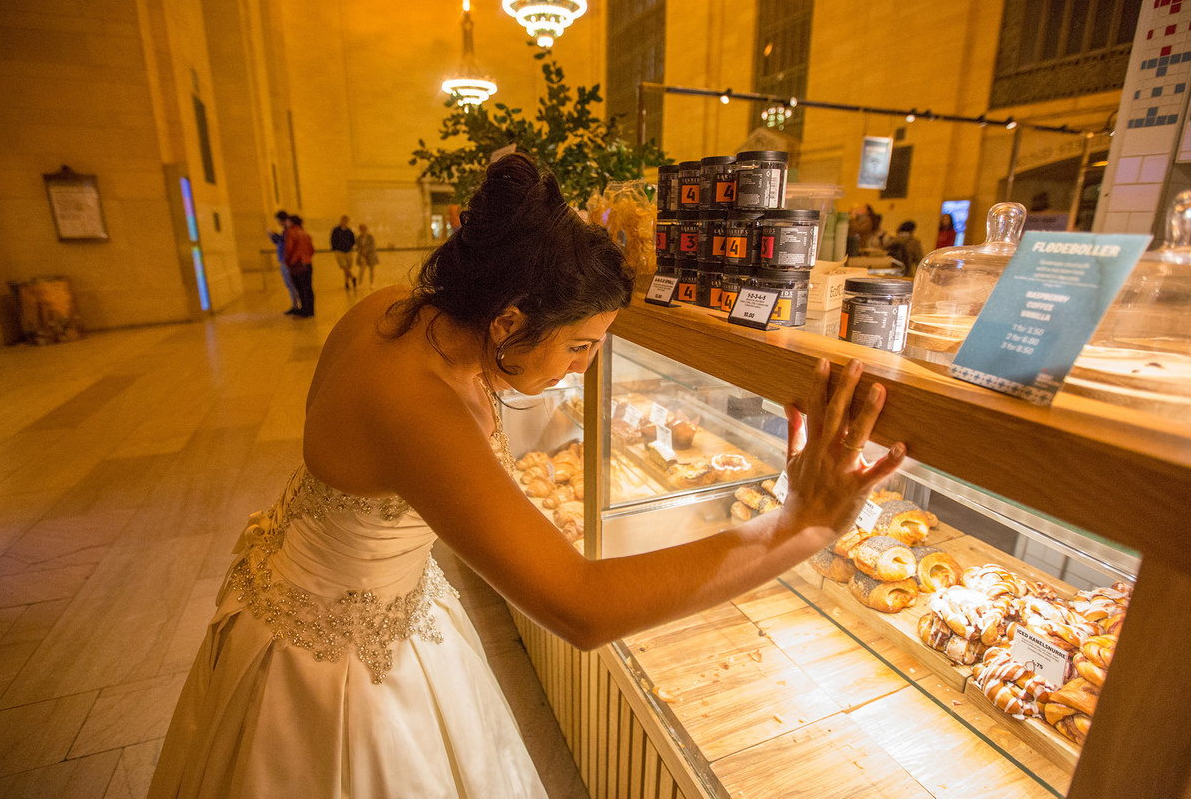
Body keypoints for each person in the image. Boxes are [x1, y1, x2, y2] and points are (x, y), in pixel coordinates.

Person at [147, 153, 905, 798]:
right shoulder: (417, 410)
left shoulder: (394, 312)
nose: (586, 365)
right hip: (331, 662)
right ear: (507, 321)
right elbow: (581, 608)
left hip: (327, 583)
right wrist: (800, 523)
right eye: (579, 347)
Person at [268, 210, 300, 315]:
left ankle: (297, 305)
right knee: (290, 284)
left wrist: (273, 235)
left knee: (291, 284)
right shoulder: (286, 230)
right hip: (285, 260)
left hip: (287, 261)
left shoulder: (289, 231)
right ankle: (295, 304)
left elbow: (285, 242)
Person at [283, 214, 315, 318]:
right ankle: (310, 310)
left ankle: (304, 310)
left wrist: (287, 261)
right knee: (308, 288)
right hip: (307, 264)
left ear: (291, 222)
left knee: (301, 288)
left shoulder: (291, 232)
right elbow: (311, 250)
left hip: (297, 265)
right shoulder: (304, 233)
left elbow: (289, 249)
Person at [331, 214, 358, 290]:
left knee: (347, 268)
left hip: (348, 251)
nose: (344, 222)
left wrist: (350, 246)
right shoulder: (336, 230)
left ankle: (346, 283)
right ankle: (352, 277)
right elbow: (332, 239)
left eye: (346, 221)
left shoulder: (349, 231)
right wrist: (334, 248)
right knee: (344, 266)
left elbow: (353, 240)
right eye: (343, 220)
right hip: (339, 251)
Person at [355, 222, 379, 288]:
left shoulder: (370, 237)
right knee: (361, 270)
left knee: (372, 270)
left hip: (371, 255)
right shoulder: (358, 238)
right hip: (363, 256)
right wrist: (362, 251)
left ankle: (372, 283)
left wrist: (366, 250)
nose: (362, 230)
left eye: (363, 229)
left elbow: (373, 246)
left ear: (366, 229)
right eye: (361, 229)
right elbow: (358, 246)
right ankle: (360, 283)